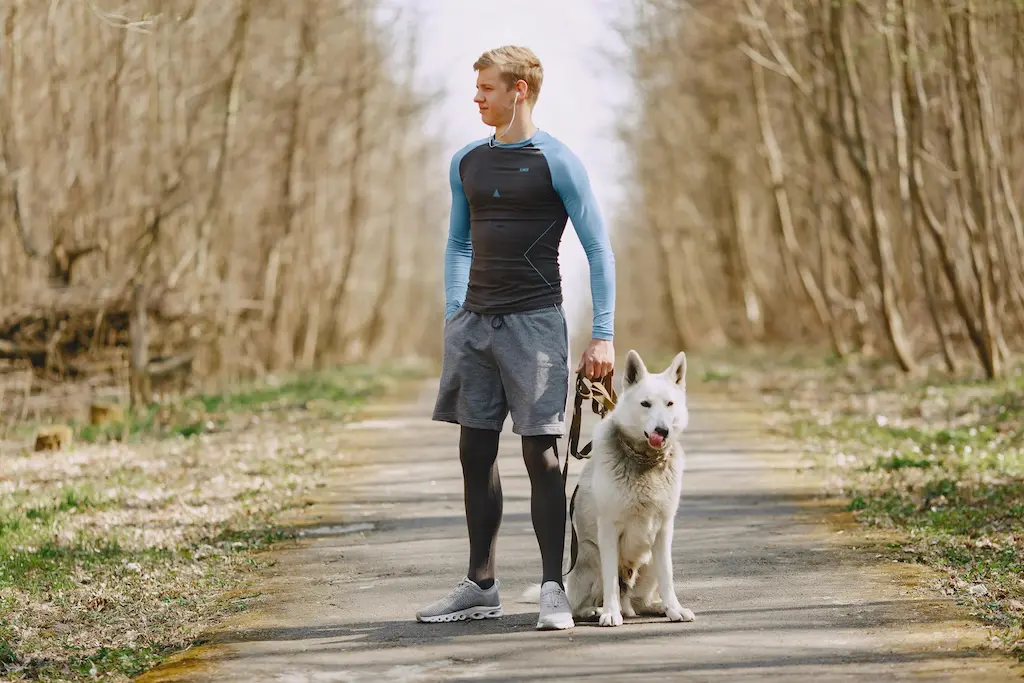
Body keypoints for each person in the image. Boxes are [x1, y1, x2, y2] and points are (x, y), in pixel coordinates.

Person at [415, 45, 615, 631]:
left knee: (542, 455)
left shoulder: (558, 162)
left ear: (519, 90)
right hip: (474, 326)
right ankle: (481, 585)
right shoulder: (467, 162)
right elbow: (458, 243)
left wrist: (601, 335)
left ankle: (553, 588)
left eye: (486, 89)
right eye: (477, 90)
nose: (476, 98)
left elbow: (598, 249)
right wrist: (455, 310)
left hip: (535, 325)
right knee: (474, 452)